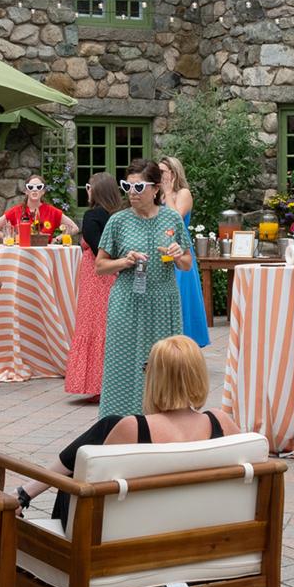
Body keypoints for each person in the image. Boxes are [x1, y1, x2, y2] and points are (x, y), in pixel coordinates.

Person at [14, 335, 238, 528]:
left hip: (134, 537)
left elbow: (91, 487)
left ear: (155, 378)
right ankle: (23, 494)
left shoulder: (133, 428)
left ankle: (23, 497)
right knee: (108, 426)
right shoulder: (221, 421)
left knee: (77, 471)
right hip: (204, 530)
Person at [95, 159, 192, 419]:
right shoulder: (118, 221)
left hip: (163, 301)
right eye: (127, 186)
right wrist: (123, 261)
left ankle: (165, 420)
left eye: (139, 187)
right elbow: (100, 266)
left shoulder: (172, 218)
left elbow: (186, 264)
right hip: (127, 301)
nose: (132, 193)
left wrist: (176, 254)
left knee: (165, 365)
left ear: (156, 189)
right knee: (123, 364)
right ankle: (118, 422)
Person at [64, 171, 123, 399]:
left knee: (92, 326)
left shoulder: (91, 216)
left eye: (89, 188)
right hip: (115, 275)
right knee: (109, 327)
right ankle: (113, 383)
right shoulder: (119, 216)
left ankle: (96, 385)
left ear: (95, 191)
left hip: (95, 278)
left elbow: (99, 248)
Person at [159, 156, 210, 348]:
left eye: (163, 171)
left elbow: (176, 220)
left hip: (180, 249)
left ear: (173, 173)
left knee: (181, 297)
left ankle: (185, 344)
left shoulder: (183, 193)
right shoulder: (159, 195)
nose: (159, 175)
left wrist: (169, 192)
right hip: (161, 248)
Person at [0, 175, 79, 243]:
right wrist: (10, 238)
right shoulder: (16, 211)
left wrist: (57, 239)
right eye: (31, 187)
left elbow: (74, 228)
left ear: (43, 191)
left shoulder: (52, 211)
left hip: (45, 256)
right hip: (22, 255)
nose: (34, 190)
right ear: (26, 191)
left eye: (39, 187)